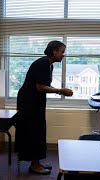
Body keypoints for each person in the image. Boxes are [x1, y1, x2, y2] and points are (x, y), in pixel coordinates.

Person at [15, 40, 73, 175]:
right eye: (62, 52)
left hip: (35, 100)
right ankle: (34, 165)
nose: (63, 55)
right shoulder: (42, 64)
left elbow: (43, 85)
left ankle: (36, 162)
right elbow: (40, 87)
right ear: (54, 51)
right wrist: (60, 90)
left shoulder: (49, 64)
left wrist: (58, 90)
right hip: (29, 102)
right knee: (34, 131)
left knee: (39, 130)